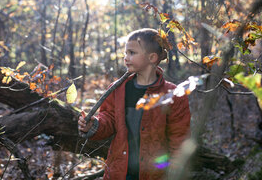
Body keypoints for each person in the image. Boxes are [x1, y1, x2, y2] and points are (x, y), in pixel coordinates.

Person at [78, 28, 191, 180]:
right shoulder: (118, 88)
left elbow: (179, 137)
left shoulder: (173, 94)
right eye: (125, 53)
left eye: (132, 53)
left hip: (155, 174)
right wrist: (94, 125)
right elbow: (109, 118)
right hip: (120, 172)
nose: (126, 57)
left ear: (151, 57)